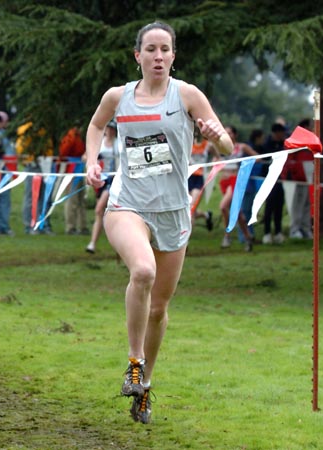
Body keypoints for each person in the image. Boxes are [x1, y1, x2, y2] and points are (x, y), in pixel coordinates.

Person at [84, 21, 233, 424]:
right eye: (150, 49)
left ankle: (144, 385)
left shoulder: (187, 95)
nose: (158, 56)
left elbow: (227, 146)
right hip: (127, 204)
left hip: (173, 212)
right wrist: (91, 160)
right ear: (138, 55)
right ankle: (134, 361)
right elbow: (96, 125)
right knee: (143, 271)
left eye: (165, 49)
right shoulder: (118, 97)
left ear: (173, 55)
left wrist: (215, 134)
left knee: (159, 309)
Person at [214, 126, 257, 251]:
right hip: (224, 180)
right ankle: (248, 237)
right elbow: (215, 159)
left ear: (235, 134)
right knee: (237, 213)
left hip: (235, 180)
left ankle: (227, 235)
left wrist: (247, 163)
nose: (227, 135)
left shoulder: (241, 147)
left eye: (230, 133)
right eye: (225, 133)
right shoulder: (220, 147)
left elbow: (257, 157)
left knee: (223, 206)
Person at [86, 119, 118, 254]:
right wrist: (93, 162)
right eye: (108, 128)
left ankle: (93, 243)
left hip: (114, 180)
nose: (109, 131)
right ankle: (93, 243)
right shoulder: (101, 143)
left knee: (99, 209)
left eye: (112, 129)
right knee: (100, 213)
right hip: (101, 180)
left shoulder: (119, 143)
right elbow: (86, 156)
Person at [260, 122, 287, 244]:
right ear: (276, 133)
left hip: (280, 180)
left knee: (279, 207)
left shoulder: (284, 144)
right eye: (282, 132)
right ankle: (266, 233)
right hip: (268, 180)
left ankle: (278, 232)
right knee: (269, 207)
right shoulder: (266, 145)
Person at [287, 118, 314, 239]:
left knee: (307, 204)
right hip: (298, 178)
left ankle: (305, 228)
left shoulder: (311, 140)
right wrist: (295, 173)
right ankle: (295, 229)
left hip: (309, 177)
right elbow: (290, 158)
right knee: (297, 204)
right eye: (310, 126)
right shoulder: (296, 140)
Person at [59, 125, 89, 235]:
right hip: (71, 170)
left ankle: (83, 226)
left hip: (81, 169)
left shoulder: (82, 136)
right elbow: (63, 153)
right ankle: (70, 227)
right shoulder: (71, 136)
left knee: (82, 199)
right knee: (72, 199)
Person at [188, 130, 216, 231]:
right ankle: (206, 215)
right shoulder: (188, 142)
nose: (197, 135)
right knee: (188, 208)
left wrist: (213, 167)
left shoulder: (208, 145)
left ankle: (186, 243)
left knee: (191, 207)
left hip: (200, 178)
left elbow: (218, 157)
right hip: (188, 177)